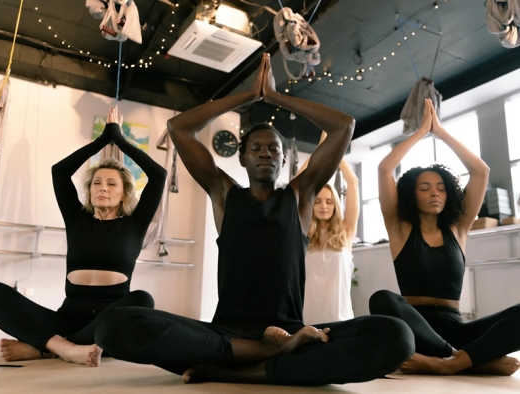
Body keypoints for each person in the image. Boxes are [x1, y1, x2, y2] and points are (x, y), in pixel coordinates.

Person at [94, 53, 414, 386]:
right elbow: (179, 127)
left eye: (273, 149)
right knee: (113, 325)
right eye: (256, 148)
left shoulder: (301, 196)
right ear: (242, 157)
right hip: (226, 333)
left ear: (284, 158)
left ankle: (241, 367)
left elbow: (344, 126)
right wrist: (248, 96)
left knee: (397, 335)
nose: (265, 153)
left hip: (290, 330)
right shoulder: (223, 193)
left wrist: (275, 97)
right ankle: (270, 356)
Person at [0, 106, 167, 367]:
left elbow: (158, 175)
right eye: (96, 183)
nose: (102, 188)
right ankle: (64, 346)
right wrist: (102, 139)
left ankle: (46, 348)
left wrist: (118, 138)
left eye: (111, 184)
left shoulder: (134, 224)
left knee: (143, 300)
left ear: (124, 194)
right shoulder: (77, 219)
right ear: (89, 190)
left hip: (108, 318)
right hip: (67, 317)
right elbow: (60, 171)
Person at [370, 98, 520, 375]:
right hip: (416, 330)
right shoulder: (400, 228)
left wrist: (440, 131)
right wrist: (420, 132)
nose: (435, 192)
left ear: (449, 193)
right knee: (382, 298)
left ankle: (453, 361)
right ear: (411, 196)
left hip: (456, 328)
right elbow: (384, 169)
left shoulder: (458, 229)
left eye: (440, 187)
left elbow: (480, 171)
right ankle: (462, 360)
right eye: (424, 188)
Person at [297, 131, 359, 324]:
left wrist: (335, 147)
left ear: (335, 205)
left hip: (341, 319)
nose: (324, 206)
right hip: (307, 320)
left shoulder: (346, 233)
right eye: (318, 202)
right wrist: (319, 150)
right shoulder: (302, 234)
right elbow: (296, 182)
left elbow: (353, 182)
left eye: (329, 202)